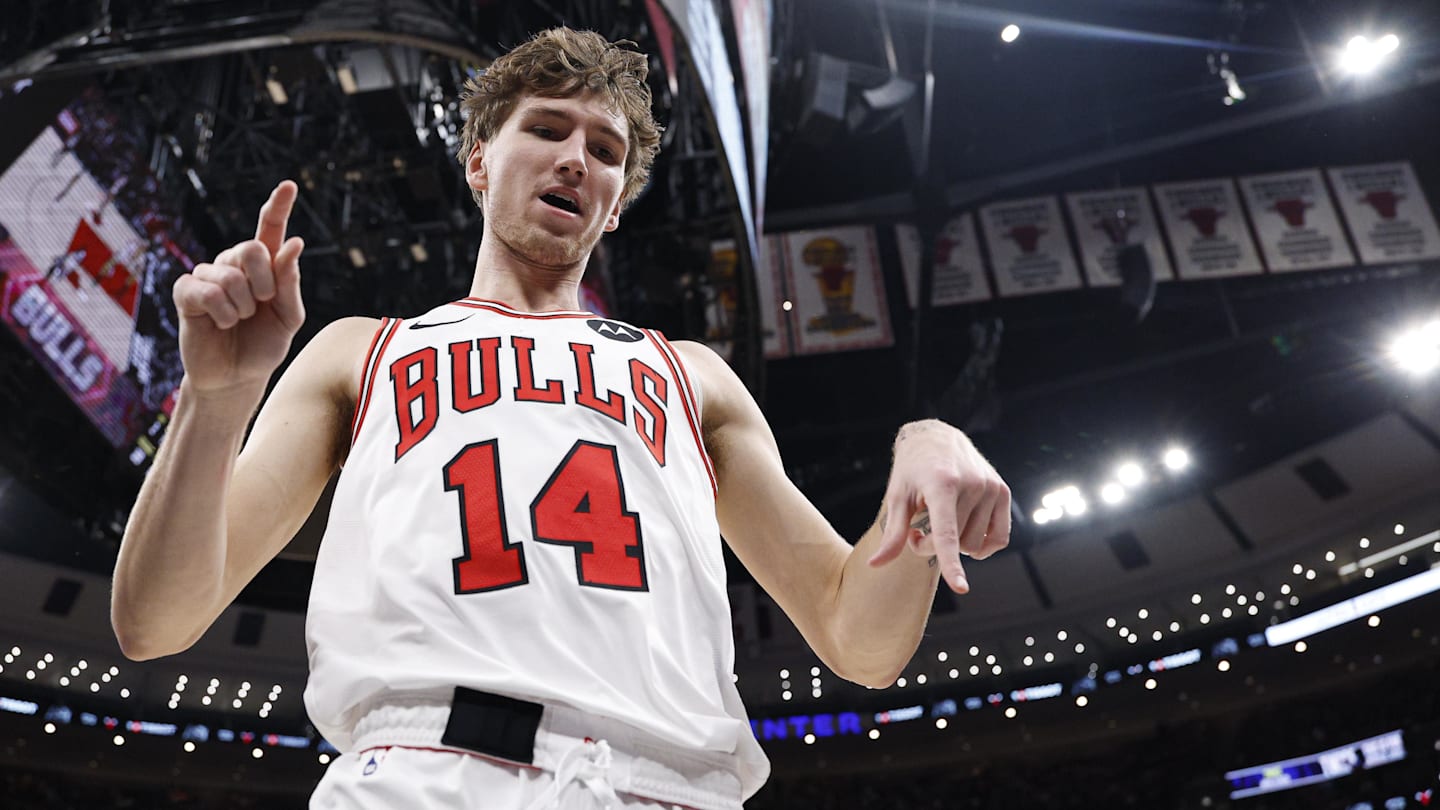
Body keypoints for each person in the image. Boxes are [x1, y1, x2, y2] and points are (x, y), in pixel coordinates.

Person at [111, 27, 1010, 809]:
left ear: (615, 205)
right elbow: (155, 621)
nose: (577, 158)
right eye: (545, 129)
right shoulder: (363, 350)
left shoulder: (692, 376)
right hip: (427, 771)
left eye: (606, 151)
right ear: (479, 162)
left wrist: (927, 453)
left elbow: (859, 640)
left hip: (676, 783)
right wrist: (217, 399)